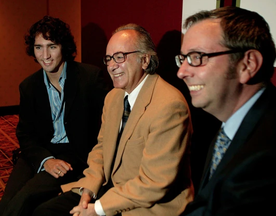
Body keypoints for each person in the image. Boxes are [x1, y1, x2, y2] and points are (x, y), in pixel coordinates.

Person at [32, 23, 194, 216]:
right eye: (109, 58)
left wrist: (98, 209)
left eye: (119, 57)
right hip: (110, 189)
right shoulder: (114, 97)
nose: (111, 66)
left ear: (145, 60)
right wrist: (89, 188)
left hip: (149, 204)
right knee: (44, 212)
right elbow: (101, 148)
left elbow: (154, 183)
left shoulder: (169, 105)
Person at [175, 6, 276, 216]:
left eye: (197, 56)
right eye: (183, 59)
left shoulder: (271, 151)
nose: (181, 72)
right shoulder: (231, 124)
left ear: (248, 64)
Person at [0, 16, 108, 216]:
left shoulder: (89, 78)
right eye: (39, 47)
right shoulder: (28, 86)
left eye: (52, 46)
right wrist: (45, 159)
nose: (45, 55)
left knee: (26, 198)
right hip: (39, 152)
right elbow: (25, 134)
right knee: (6, 203)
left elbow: (104, 129)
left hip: (73, 155)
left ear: (64, 47)